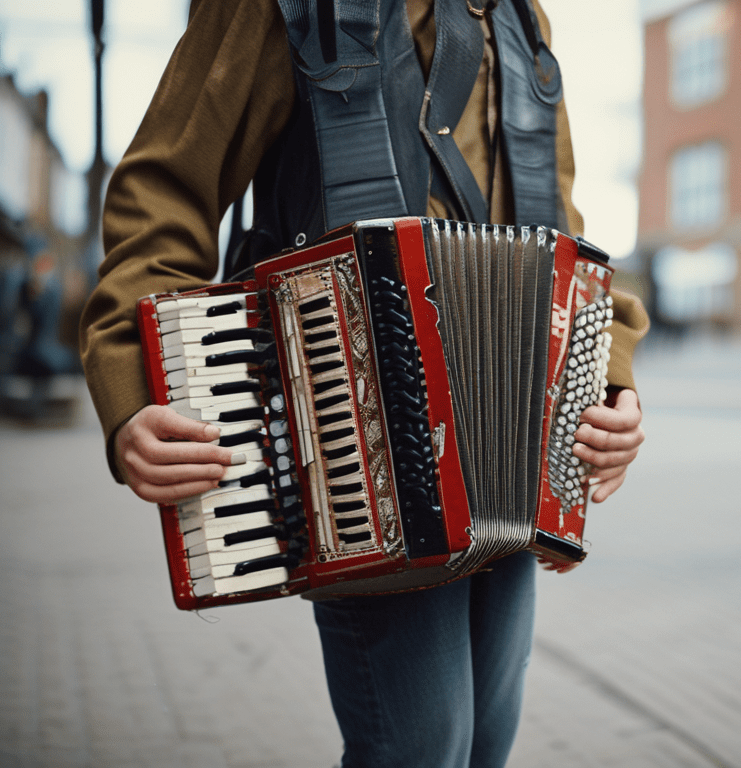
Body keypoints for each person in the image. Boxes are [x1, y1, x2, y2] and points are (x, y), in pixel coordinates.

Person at [79, 0, 649, 765]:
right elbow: (164, 192)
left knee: (483, 745)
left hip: (514, 467)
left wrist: (608, 385)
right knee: (421, 749)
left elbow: (561, 233)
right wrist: (135, 392)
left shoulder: (520, 16)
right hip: (352, 446)